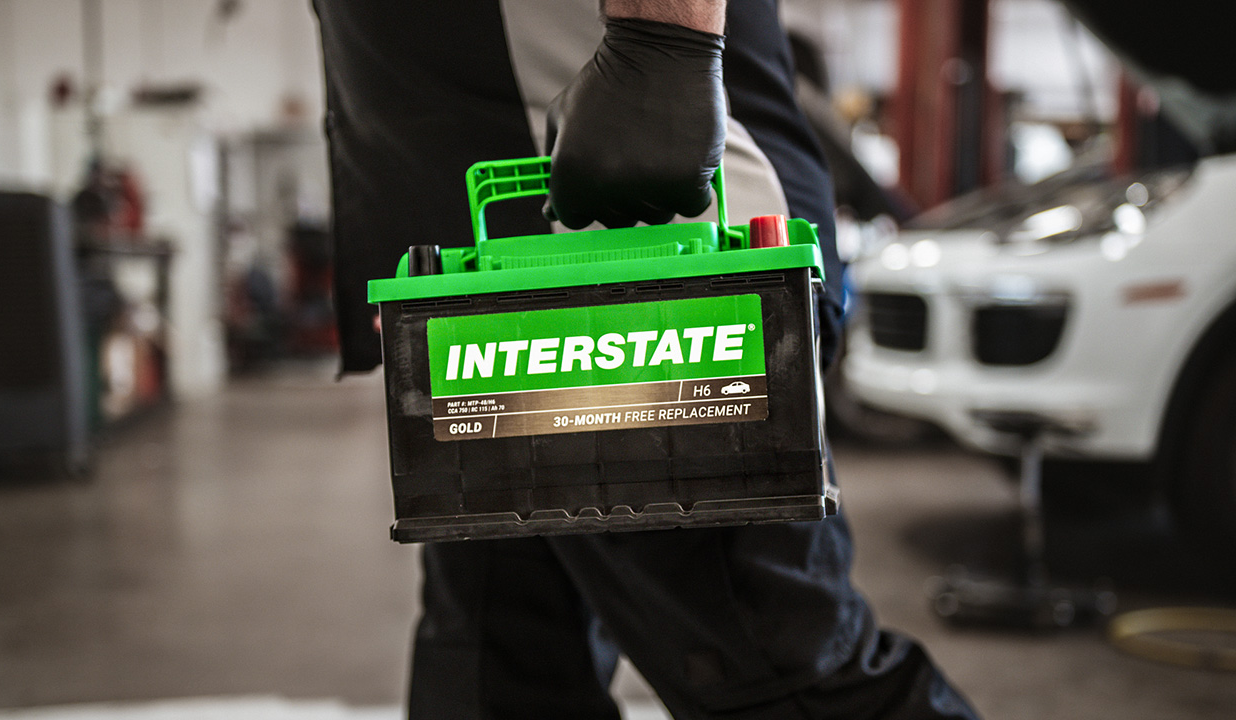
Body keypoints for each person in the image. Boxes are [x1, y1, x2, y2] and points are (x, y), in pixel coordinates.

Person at [311, 1, 979, 717]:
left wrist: (661, 44)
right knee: (493, 668)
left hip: (640, 262)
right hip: (483, 311)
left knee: (775, 671)